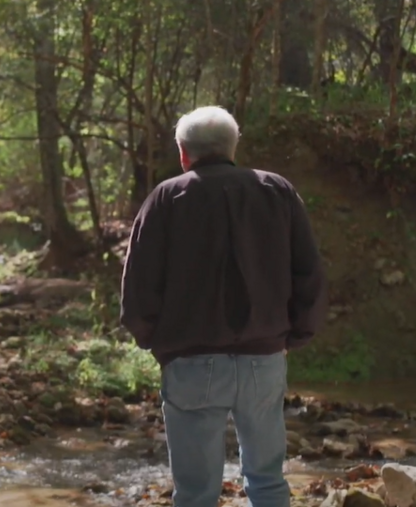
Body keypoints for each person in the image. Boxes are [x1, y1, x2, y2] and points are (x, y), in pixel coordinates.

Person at [120, 106, 328, 507]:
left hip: (190, 360)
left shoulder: (166, 197)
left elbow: (138, 286)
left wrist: (156, 343)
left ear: (184, 153)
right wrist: (295, 334)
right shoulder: (277, 191)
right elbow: (309, 273)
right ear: (234, 147)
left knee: (196, 493)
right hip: (263, 358)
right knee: (267, 482)